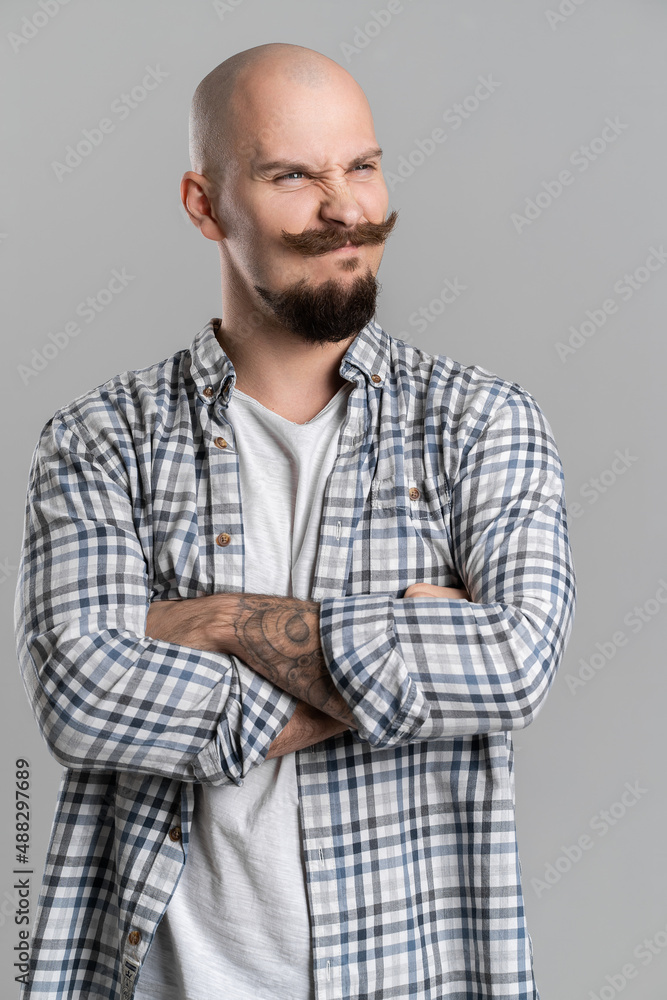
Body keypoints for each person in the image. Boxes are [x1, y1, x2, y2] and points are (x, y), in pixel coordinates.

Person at [14, 42, 576, 1000]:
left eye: (361, 166)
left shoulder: (483, 423)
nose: (345, 209)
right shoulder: (98, 441)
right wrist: (404, 651)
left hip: (413, 975)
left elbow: (513, 665)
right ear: (204, 205)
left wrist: (208, 623)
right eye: (291, 175)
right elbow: (81, 697)